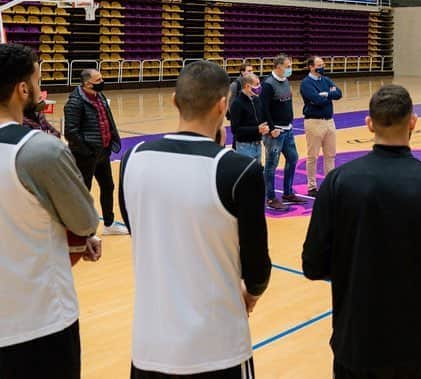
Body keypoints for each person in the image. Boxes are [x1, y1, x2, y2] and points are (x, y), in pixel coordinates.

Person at [303, 84, 421, 378]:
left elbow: (313, 264)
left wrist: (355, 266)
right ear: (413, 122)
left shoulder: (337, 182)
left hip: (356, 340)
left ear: (369, 124)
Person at [119, 60, 271, 378]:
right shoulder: (240, 169)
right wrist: (251, 296)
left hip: (150, 347)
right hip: (217, 348)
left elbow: (138, 228)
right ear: (223, 105)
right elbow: (257, 267)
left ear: (175, 101)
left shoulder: (132, 159)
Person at [0, 44, 102, 379]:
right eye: (38, 78)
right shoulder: (41, 150)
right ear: (23, 89)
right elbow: (85, 221)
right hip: (38, 325)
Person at [64, 69, 128, 236]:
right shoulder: (74, 102)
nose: (102, 81)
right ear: (87, 83)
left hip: (103, 152)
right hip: (85, 156)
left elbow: (107, 120)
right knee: (84, 191)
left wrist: (113, 139)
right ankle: (80, 229)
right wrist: (86, 151)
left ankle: (109, 223)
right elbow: (71, 132)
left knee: (108, 186)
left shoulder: (100, 97)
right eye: (98, 79)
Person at [260, 53, 303, 210]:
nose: (290, 69)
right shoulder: (268, 84)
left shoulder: (285, 81)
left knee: (293, 158)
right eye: (288, 66)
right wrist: (271, 129)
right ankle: (271, 198)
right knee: (271, 165)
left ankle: (287, 192)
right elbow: (263, 108)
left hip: (288, 130)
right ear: (278, 67)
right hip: (276, 132)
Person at [300, 56, 342, 197]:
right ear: (311, 67)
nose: (322, 66)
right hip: (314, 122)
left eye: (322, 64)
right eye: (319, 64)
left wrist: (326, 94)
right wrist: (329, 95)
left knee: (330, 155)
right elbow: (316, 100)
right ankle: (312, 186)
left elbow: (339, 93)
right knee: (313, 156)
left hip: (329, 121)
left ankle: (329, 184)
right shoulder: (306, 83)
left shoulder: (326, 79)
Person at [228, 72, 268, 163]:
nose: (259, 87)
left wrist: (267, 126)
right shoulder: (237, 104)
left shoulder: (257, 99)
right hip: (244, 146)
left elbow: (260, 119)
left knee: (256, 173)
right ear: (247, 86)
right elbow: (235, 130)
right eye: (257, 84)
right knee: (246, 175)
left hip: (257, 144)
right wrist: (257, 129)